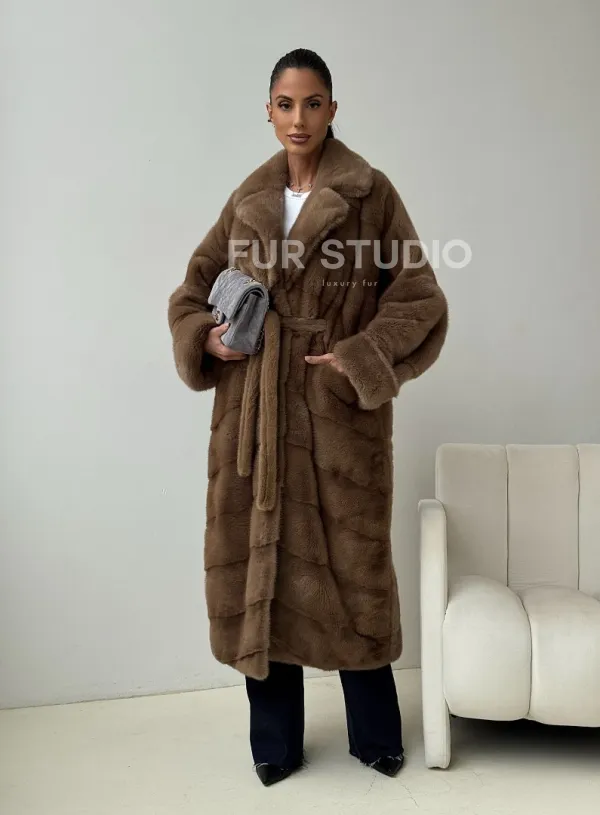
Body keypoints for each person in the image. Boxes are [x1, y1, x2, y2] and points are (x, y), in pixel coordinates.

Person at [167, 48, 448, 787]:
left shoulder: (369, 194)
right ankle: (274, 744)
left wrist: (358, 359)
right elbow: (191, 291)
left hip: (334, 420)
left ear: (332, 110)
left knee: (354, 572)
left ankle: (376, 736)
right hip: (253, 416)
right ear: (268, 111)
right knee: (259, 570)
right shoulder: (247, 199)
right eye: (286, 104)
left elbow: (420, 297)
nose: (299, 118)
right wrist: (208, 340)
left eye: (313, 103)